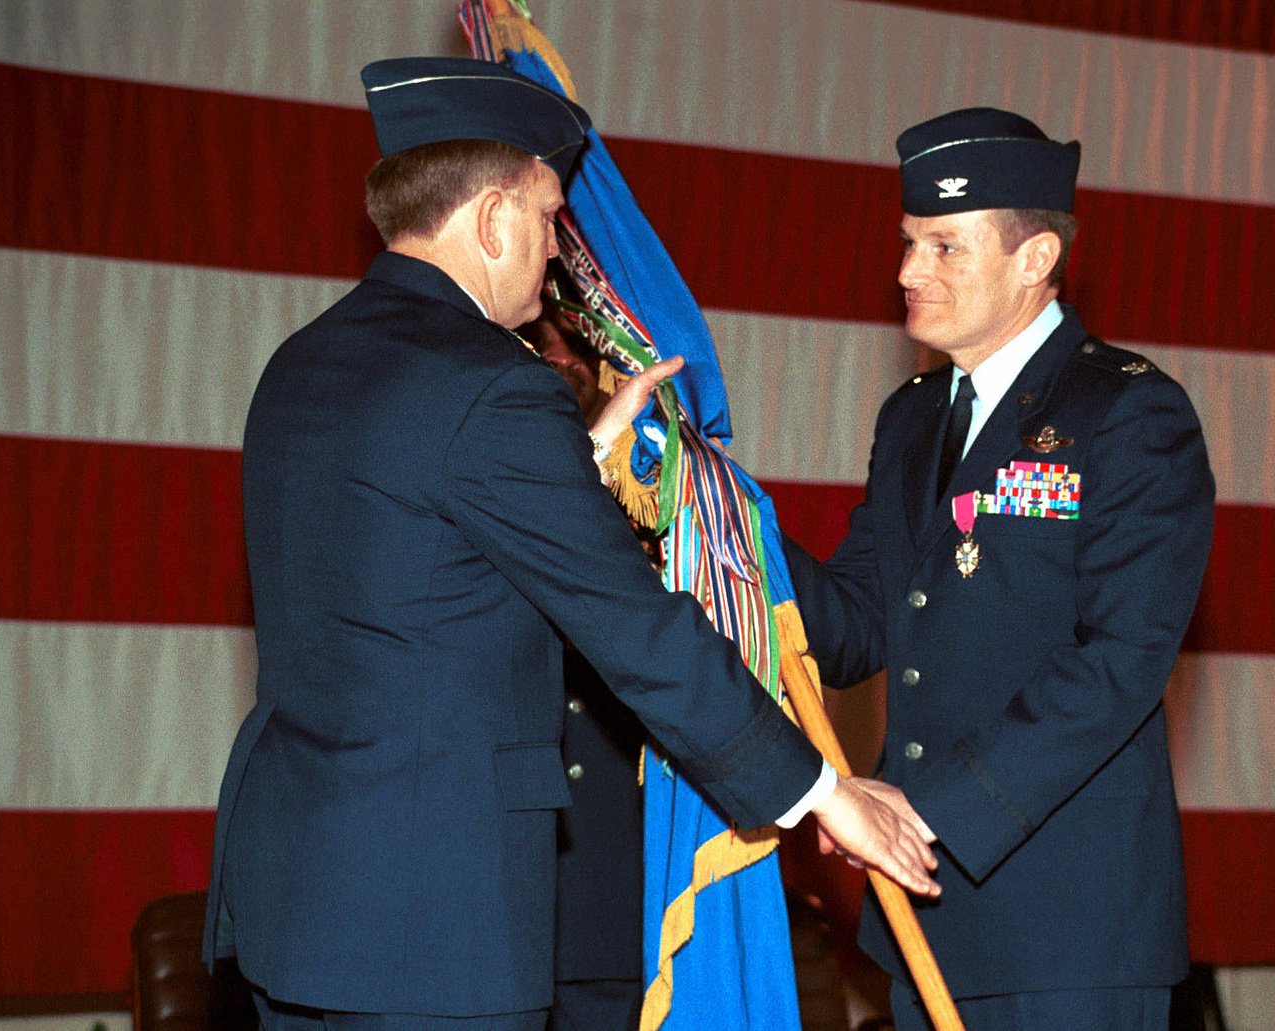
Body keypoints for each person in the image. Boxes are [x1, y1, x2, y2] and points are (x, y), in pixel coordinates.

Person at [203, 57, 939, 1031]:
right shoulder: (493, 386)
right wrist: (816, 788)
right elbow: (633, 626)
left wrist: (575, 469)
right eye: (551, 218)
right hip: (431, 920)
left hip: (298, 899)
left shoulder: (304, 363)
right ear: (495, 215)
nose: (555, 254)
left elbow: (415, 566)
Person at [784, 107, 1215, 1030]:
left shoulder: (1128, 415)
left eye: (944, 246)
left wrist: (923, 809)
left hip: (1067, 929)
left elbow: (1121, 661)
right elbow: (862, 619)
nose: (908, 270)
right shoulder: (911, 418)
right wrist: (729, 524)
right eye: (908, 243)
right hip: (926, 916)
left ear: (1035, 260)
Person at [523, 294, 645, 1031]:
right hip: (497, 895)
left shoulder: (644, 489)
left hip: (605, 883)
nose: (558, 357)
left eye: (569, 345)